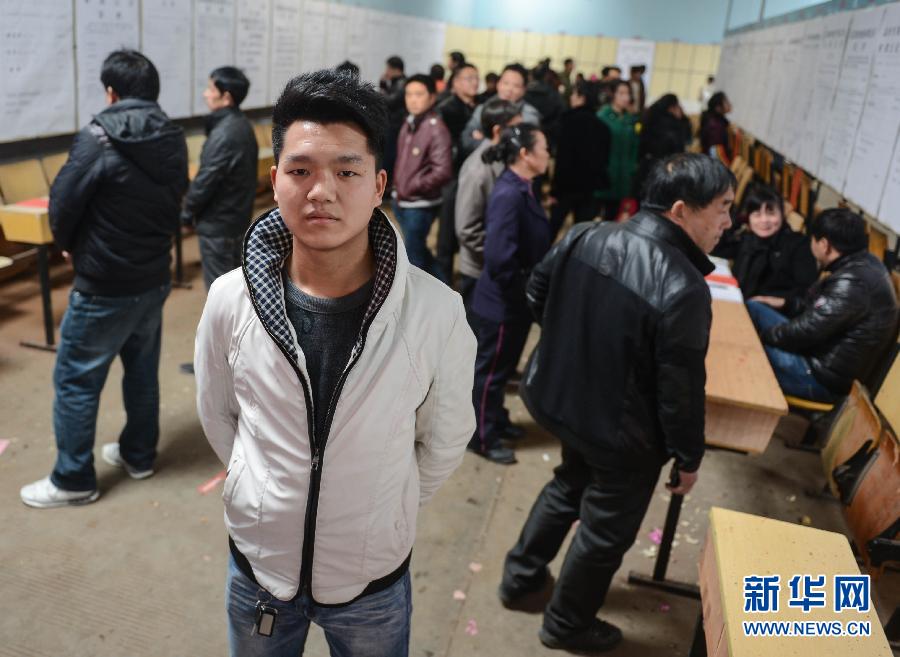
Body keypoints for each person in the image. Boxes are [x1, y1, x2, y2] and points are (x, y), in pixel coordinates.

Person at [194, 68, 476, 656]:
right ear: (275, 181)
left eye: (346, 172)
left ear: (378, 185)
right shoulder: (230, 298)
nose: (320, 191)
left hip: (371, 578)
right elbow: (221, 415)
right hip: (261, 570)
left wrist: (381, 507)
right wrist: (264, 489)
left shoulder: (436, 313)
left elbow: (445, 438)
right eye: (300, 171)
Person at [499, 153, 735, 653]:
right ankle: (566, 623)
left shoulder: (586, 233)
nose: (727, 223)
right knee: (606, 529)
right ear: (680, 210)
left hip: (564, 403)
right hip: (621, 435)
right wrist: (688, 457)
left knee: (568, 485)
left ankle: (519, 578)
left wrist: (573, 352)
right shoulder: (683, 286)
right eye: (722, 208)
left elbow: (538, 293)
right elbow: (681, 392)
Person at [20, 50, 188, 508]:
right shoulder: (173, 137)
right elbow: (175, 198)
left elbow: (63, 203)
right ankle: (139, 454)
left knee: (76, 380)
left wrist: (70, 245)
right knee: (141, 371)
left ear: (111, 92)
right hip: (153, 276)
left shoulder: (97, 137)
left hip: (104, 283)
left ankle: (73, 478)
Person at [747, 208, 898, 402]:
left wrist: (761, 337)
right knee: (754, 307)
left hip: (819, 378)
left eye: (813, 239)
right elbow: (818, 311)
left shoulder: (853, 283)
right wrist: (787, 304)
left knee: (747, 351)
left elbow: (807, 332)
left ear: (824, 245)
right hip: (817, 356)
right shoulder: (864, 264)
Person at [468, 124, 553, 465]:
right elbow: (499, 258)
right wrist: (526, 292)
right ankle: (482, 437)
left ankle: (497, 419)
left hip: (514, 303)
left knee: (500, 371)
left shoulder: (524, 187)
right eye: (544, 148)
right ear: (526, 155)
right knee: (488, 374)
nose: (548, 154)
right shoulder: (508, 194)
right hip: (502, 303)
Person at [182, 66, 258, 290]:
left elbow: (206, 180)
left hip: (219, 225)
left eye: (210, 89)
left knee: (221, 294)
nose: (206, 94)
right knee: (235, 288)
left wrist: (187, 214)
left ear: (226, 97)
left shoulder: (224, 133)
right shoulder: (242, 125)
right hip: (236, 218)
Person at [455, 99, 523, 311]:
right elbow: (466, 229)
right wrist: (498, 252)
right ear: (497, 130)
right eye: (515, 128)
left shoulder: (504, 158)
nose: (520, 134)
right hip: (480, 269)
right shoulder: (478, 169)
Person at [391, 73, 453, 281]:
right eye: (409, 94)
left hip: (420, 204)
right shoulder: (409, 122)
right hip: (403, 201)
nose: (413, 99)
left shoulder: (436, 129)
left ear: (432, 97)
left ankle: (423, 304)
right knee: (419, 251)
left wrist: (412, 186)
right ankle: (445, 290)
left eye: (419, 94)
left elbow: (443, 171)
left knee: (414, 259)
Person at [713, 185, 818, 302]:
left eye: (771, 213)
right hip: (740, 302)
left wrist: (778, 302)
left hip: (772, 312)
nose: (764, 220)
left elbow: (807, 291)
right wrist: (736, 222)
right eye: (757, 214)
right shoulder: (750, 239)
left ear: (782, 215)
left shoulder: (798, 245)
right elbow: (717, 249)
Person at [436, 62, 480, 282]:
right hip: (453, 178)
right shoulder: (447, 109)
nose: (475, 82)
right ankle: (443, 281)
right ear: (456, 82)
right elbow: (448, 148)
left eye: (476, 78)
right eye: (469, 78)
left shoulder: (479, 108)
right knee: (446, 236)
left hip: (473, 178)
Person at [550, 79, 610, 226]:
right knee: (581, 231)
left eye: (574, 95)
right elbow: (603, 161)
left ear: (582, 98)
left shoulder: (567, 121)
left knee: (552, 227)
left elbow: (562, 159)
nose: (571, 97)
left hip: (566, 187)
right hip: (589, 189)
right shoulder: (603, 128)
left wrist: (554, 190)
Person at [461, 63, 541, 156]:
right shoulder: (483, 108)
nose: (509, 89)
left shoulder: (529, 114)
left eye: (516, 86)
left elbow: (522, 147)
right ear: (498, 84)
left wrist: (486, 141)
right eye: (505, 83)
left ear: (524, 90)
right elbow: (466, 139)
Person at [596, 80, 639, 221]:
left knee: (613, 216)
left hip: (623, 176)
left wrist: (632, 168)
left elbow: (635, 146)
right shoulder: (602, 117)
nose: (626, 97)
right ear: (613, 95)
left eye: (627, 94)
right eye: (621, 93)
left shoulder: (630, 120)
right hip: (604, 174)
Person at [635, 93, 692, 197]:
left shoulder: (649, 117)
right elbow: (679, 146)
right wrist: (684, 120)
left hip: (647, 166)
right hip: (666, 169)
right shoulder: (674, 125)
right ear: (672, 108)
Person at [379, 55, 406, 184]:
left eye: (388, 68)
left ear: (396, 69)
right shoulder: (397, 82)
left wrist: (382, 89)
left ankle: (388, 183)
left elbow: (391, 101)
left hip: (396, 125)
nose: (386, 71)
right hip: (393, 123)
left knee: (390, 154)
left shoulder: (402, 83)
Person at [525, 64, 566, 148]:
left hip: (526, 136)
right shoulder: (555, 95)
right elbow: (561, 117)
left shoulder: (524, 93)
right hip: (548, 138)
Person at [700, 91, 732, 163]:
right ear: (718, 108)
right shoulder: (715, 126)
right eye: (726, 102)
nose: (729, 104)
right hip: (713, 165)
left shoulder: (716, 121)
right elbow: (715, 151)